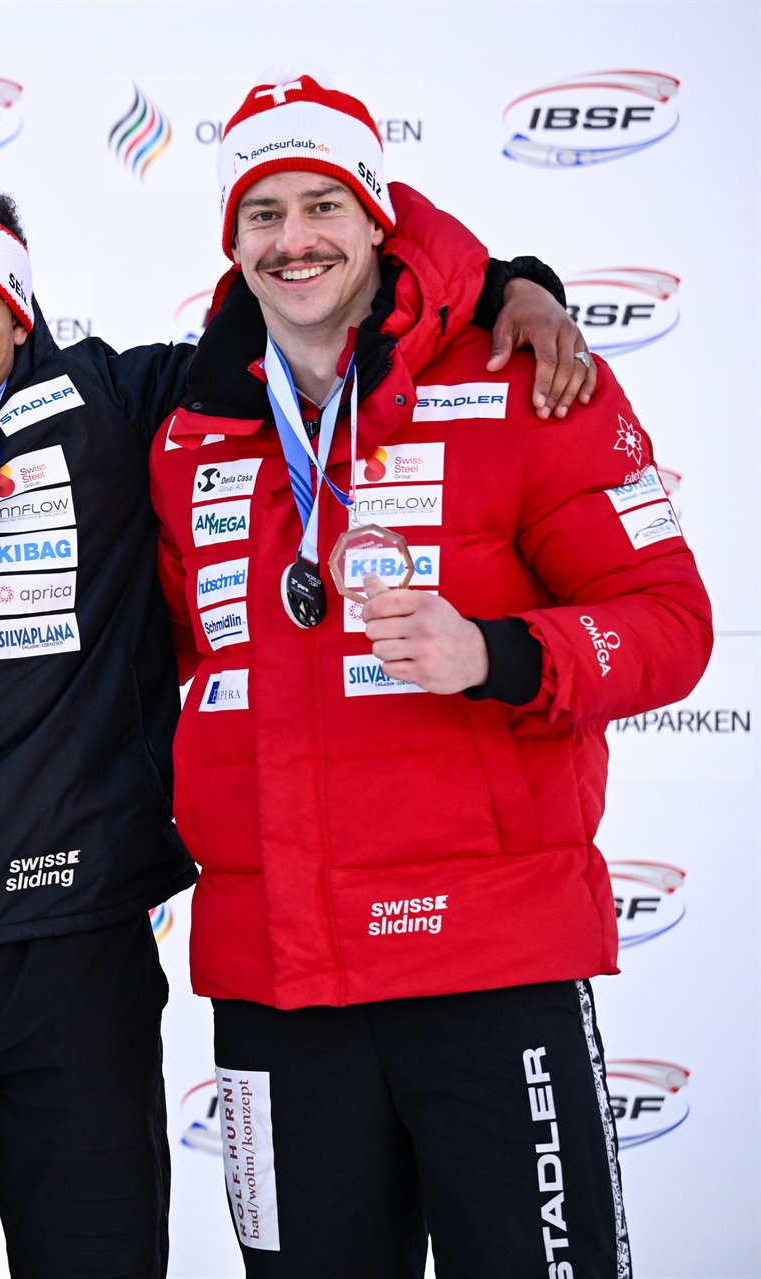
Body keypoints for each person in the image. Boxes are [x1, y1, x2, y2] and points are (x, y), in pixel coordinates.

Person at [0, 170, 589, 1274]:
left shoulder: (119, 402)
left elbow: (317, 308)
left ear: (21, 313)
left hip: (81, 945)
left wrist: (513, 285)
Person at [149, 75, 711, 1278]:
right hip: (276, 981)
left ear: (377, 219)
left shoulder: (528, 379)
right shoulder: (193, 419)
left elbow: (672, 624)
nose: (293, 240)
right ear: (231, 240)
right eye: (262, 213)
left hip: (487, 967)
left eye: (323, 206)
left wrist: (499, 654)